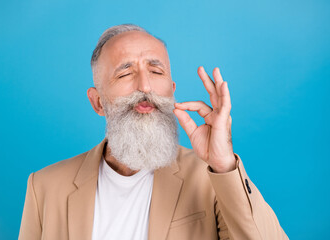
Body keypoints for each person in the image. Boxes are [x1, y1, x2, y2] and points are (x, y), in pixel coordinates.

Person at [19, 24, 288, 240]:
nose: (145, 86)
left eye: (155, 71)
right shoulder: (43, 187)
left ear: (171, 90)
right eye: (125, 74)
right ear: (98, 102)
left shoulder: (212, 178)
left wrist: (224, 164)